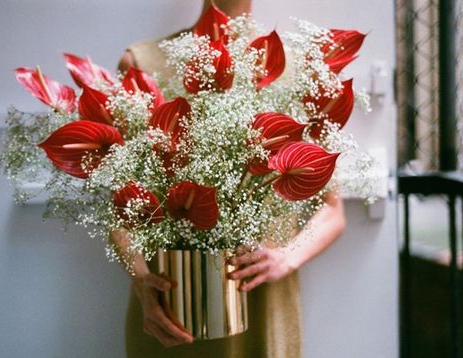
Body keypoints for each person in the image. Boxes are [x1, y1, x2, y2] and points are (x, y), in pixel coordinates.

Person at [112, 1, 346, 357]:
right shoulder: (143, 63)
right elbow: (121, 204)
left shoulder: (300, 68)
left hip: (263, 299)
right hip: (171, 299)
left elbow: (333, 210)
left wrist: (287, 256)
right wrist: (142, 279)